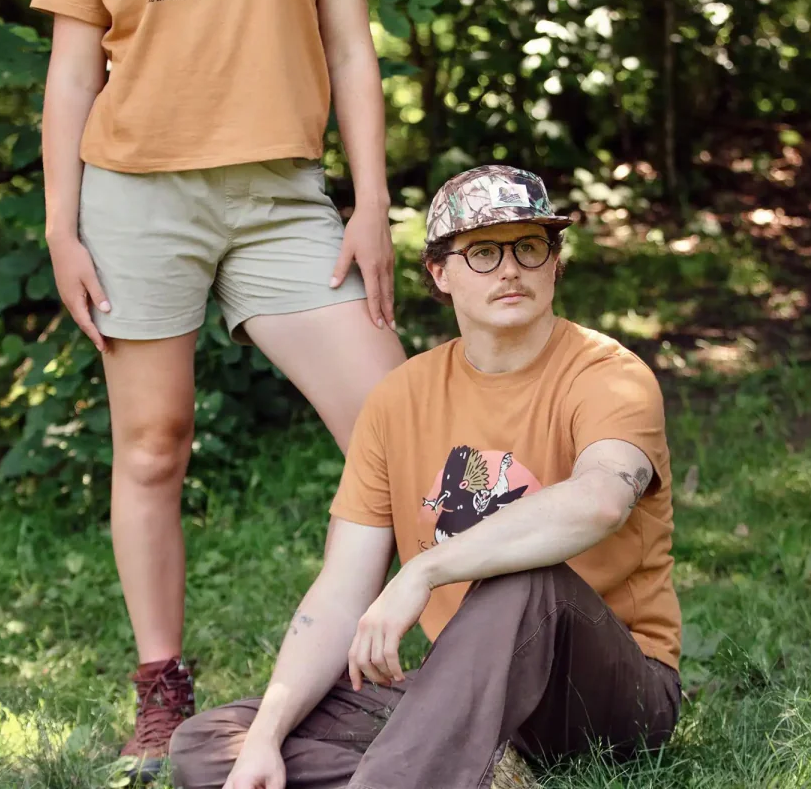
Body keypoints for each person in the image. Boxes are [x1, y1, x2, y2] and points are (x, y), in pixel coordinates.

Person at [31, 0, 406, 775]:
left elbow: (351, 53)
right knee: (152, 446)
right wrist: (63, 225)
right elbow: (66, 79)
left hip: (284, 200)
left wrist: (372, 203)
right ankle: (161, 685)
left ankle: (458, 650)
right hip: (138, 200)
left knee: (401, 429)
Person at [170, 165, 682, 789]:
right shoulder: (400, 399)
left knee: (522, 581)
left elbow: (601, 499)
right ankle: (482, 772)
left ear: (555, 264)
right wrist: (270, 733)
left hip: (607, 699)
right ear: (440, 273)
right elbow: (341, 588)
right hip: (466, 692)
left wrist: (427, 568)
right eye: (484, 253)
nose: (511, 269)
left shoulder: (608, 373)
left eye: (530, 246)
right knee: (213, 745)